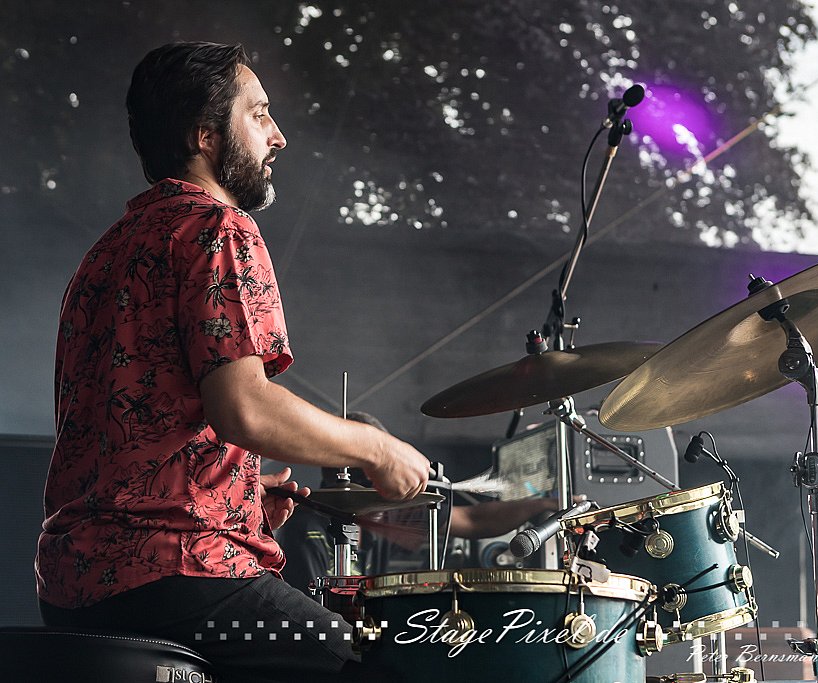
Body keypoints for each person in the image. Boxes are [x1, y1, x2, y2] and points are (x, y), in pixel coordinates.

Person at [35, 42, 429, 683]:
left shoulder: (105, 253)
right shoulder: (217, 228)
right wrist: (378, 450)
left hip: (71, 584)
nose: (278, 136)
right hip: (176, 575)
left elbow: (134, 427)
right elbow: (245, 409)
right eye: (260, 114)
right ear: (206, 137)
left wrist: (237, 496)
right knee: (383, 661)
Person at [276, 411, 569, 593]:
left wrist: (540, 506)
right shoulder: (307, 528)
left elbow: (474, 520)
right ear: (367, 475)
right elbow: (313, 612)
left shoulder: (384, 514)